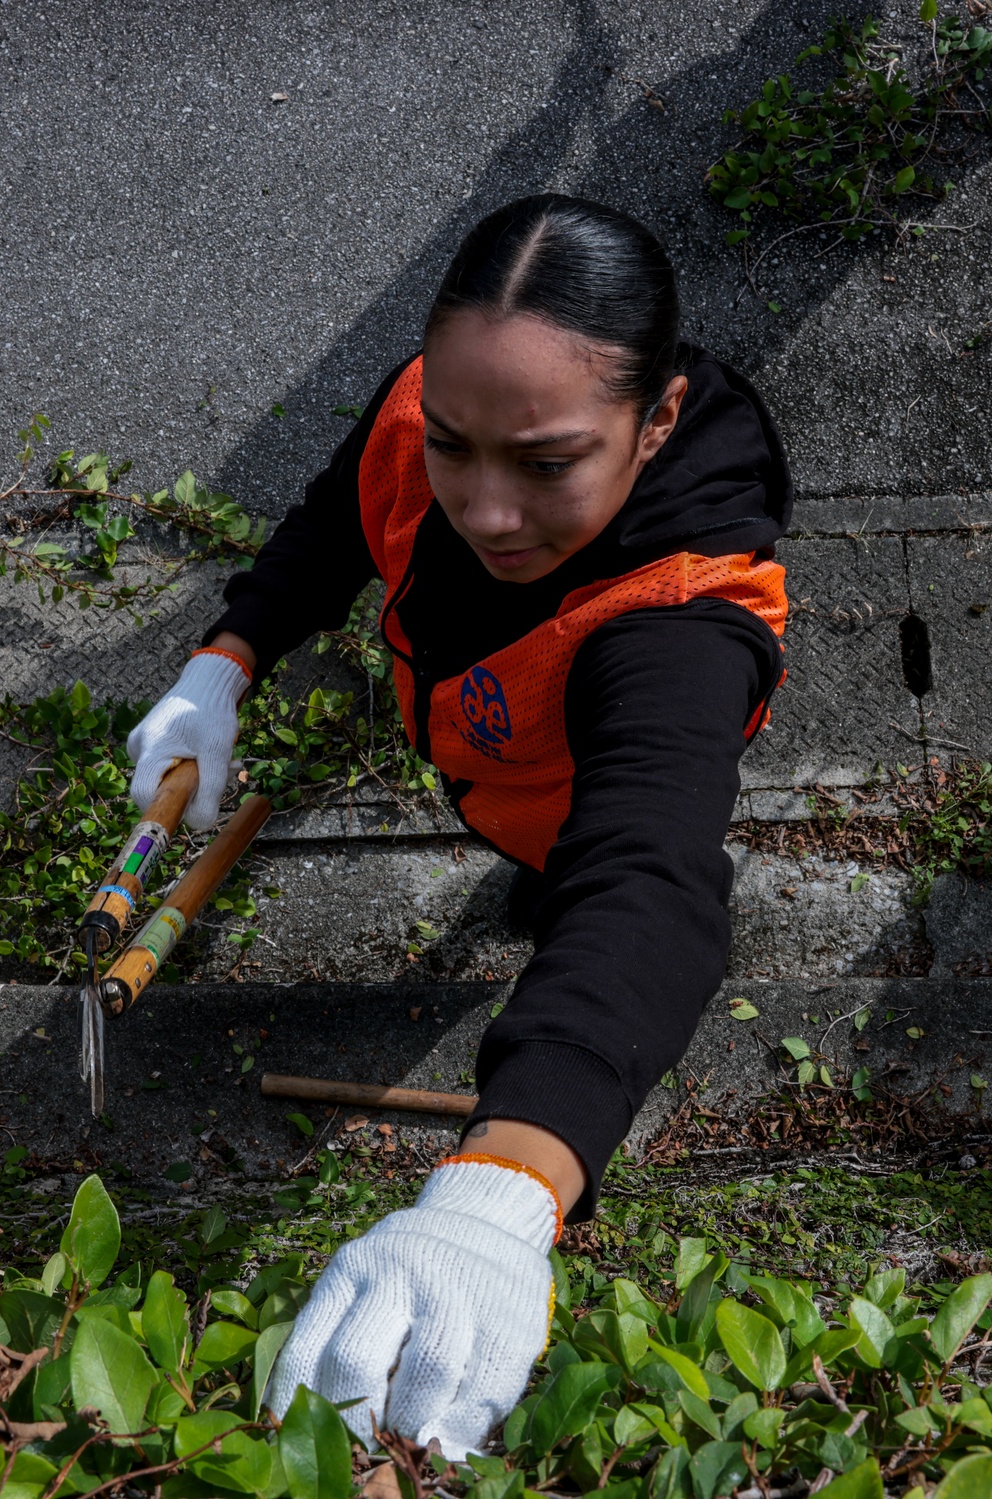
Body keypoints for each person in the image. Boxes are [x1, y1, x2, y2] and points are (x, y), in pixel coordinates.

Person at [128, 194, 791, 1458]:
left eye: (546, 463)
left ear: (653, 424)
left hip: (571, 803)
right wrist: (223, 660)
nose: (484, 509)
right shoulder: (452, 401)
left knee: (576, 886)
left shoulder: (681, 627)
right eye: (454, 444)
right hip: (487, 761)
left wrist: (503, 1184)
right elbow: (340, 519)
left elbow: (647, 875)